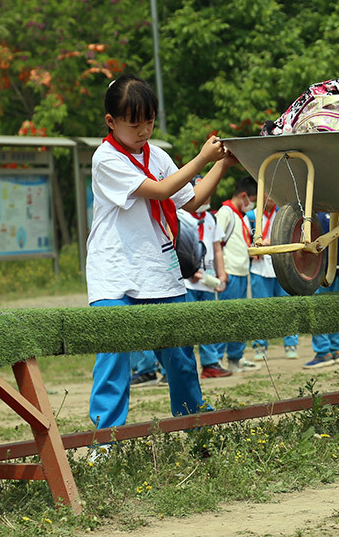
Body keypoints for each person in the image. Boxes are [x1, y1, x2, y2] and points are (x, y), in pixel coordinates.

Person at [85, 75, 234, 449]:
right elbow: (161, 191)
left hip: (158, 271)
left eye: (149, 121)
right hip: (114, 272)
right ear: (110, 121)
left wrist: (223, 164)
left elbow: (192, 200)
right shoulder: (105, 158)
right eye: (133, 123)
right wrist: (202, 157)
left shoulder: (159, 155)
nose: (143, 130)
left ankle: (196, 428)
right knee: (114, 360)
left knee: (181, 357)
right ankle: (105, 443)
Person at [211, 177, 259, 374]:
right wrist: (220, 272)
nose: (253, 204)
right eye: (253, 199)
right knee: (226, 318)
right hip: (230, 272)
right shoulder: (226, 213)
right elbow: (216, 243)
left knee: (239, 319)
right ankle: (215, 360)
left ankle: (235, 357)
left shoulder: (242, 216)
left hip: (241, 271)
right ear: (244, 196)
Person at [246, 197, 300, 359]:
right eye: (266, 192)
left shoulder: (284, 215)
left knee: (288, 307)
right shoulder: (250, 216)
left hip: (283, 266)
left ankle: (291, 344)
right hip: (260, 268)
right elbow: (243, 238)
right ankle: (260, 346)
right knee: (261, 309)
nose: (269, 197)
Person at [184, 183, 228, 377]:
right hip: (186, 282)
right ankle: (181, 367)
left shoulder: (211, 218)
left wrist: (222, 273)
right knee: (185, 326)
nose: (207, 196)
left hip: (207, 280)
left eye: (209, 191)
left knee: (208, 324)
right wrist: (188, 269)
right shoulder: (181, 216)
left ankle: (210, 364)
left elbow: (217, 248)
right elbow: (175, 246)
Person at [303, 212, 339, 369]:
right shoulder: (336, 213)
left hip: (317, 269)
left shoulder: (312, 216)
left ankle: (323, 352)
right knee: (334, 307)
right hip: (335, 268)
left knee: (318, 309)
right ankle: (336, 349)